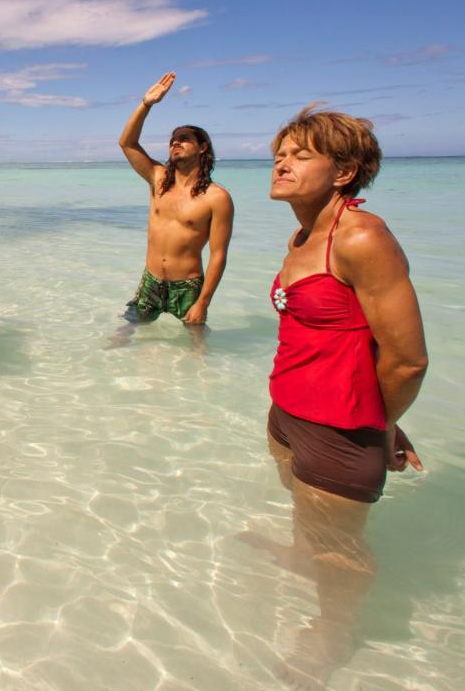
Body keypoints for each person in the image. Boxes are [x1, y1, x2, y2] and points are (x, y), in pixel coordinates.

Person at [251, 106, 428, 689]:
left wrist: (379, 427)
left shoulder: (361, 236)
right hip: (289, 414)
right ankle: (302, 559)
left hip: (339, 432)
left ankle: (337, 631)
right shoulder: (303, 233)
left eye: (302, 155)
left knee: (339, 551)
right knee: (312, 527)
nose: (282, 162)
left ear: (345, 170)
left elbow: (407, 359)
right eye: (282, 151)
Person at [113, 71, 234, 345]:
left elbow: (218, 255)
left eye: (184, 138)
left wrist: (203, 302)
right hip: (151, 280)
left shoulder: (217, 198)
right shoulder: (157, 179)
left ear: (203, 147)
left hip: (188, 286)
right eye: (172, 139)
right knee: (122, 337)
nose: (175, 142)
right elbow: (126, 143)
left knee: (197, 345)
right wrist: (146, 104)